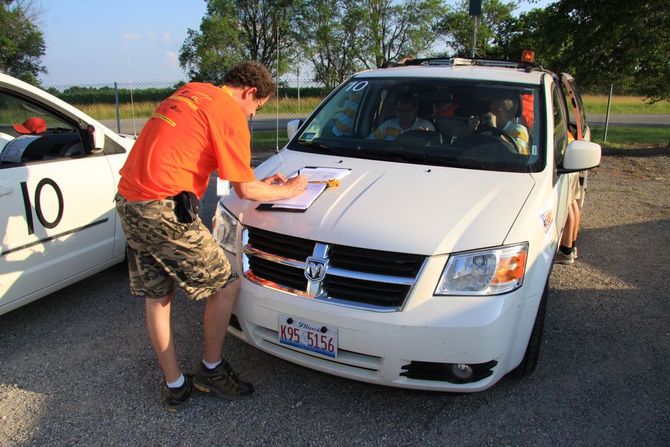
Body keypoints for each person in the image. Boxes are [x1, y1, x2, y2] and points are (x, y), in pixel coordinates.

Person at [114, 61, 307, 412]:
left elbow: (203, 154)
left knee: (158, 295)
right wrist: (291, 190)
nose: (251, 116)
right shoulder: (229, 112)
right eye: (256, 108)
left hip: (130, 200)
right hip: (163, 208)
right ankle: (212, 371)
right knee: (226, 285)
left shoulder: (193, 93)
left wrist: (268, 185)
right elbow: (246, 189)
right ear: (249, 93)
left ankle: (175, 384)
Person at [368, 91, 434, 140]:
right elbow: (370, 141)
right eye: (399, 111)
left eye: (407, 111)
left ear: (415, 109)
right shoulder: (388, 125)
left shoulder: (426, 127)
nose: (403, 115)